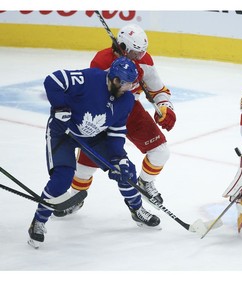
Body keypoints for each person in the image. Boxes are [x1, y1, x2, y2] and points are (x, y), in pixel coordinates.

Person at [28, 57, 161, 249]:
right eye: (125, 84)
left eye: (131, 84)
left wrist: (118, 157)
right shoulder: (89, 78)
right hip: (62, 132)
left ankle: (137, 209)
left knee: (126, 171)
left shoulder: (127, 100)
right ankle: (38, 221)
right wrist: (60, 107)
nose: (128, 88)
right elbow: (53, 80)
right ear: (114, 79)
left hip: (94, 136)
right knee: (62, 178)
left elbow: (116, 132)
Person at [53, 23, 176, 217]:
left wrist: (165, 107)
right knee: (85, 168)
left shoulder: (144, 61)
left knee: (161, 152)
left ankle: (145, 182)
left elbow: (158, 90)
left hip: (131, 109)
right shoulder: (101, 61)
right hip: (102, 113)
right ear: (123, 48)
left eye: (142, 52)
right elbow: (93, 93)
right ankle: (75, 197)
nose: (140, 57)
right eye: (136, 53)